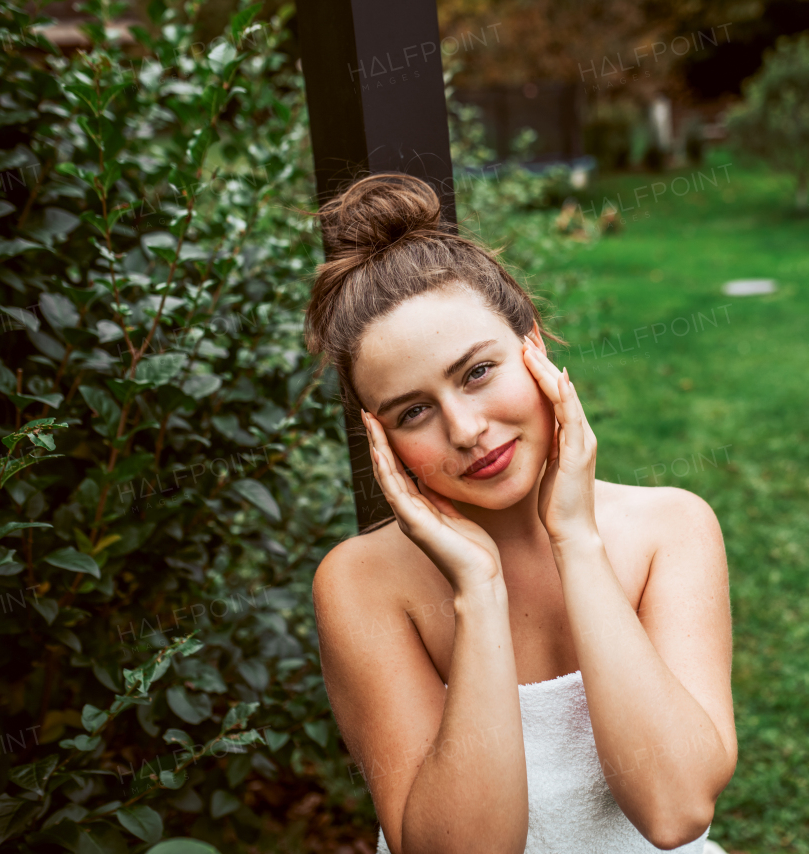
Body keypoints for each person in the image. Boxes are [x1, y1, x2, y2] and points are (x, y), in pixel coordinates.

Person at [307, 173, 736, 854]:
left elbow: (674, 809)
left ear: (531, 344)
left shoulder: (670, 530)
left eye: (477, 372)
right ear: (378, 436)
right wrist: (477, 592)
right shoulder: (362, 585)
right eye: (414, 411)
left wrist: (576, 541)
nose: (467, 429)